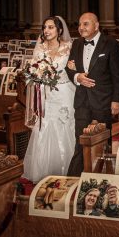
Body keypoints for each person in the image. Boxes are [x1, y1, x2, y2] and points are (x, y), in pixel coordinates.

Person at [66, 12, 119, 176]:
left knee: (103, 141)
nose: (81, 28)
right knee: (80, 141)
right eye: (79, 24)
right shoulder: (77, 44)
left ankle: (105, 176)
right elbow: (69, 69)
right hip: (82, 100)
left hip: (103, 100)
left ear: (96, 26)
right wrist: (78, 77)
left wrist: (116, 100)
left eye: (85, 24)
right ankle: (75, 179)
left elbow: (118, 75)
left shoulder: (111, 44)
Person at [22, 16, 77, 183]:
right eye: (45, 27)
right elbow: (34, 71)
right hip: (46, 95)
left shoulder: (69, 48)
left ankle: (69, 167)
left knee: (65, 125)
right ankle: (44, 169)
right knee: (44, 126)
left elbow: (74, 70)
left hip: (65, 93)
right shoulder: (40, 49)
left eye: (51, 27)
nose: (47, 30)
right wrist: (36, 76)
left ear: (59, 30)